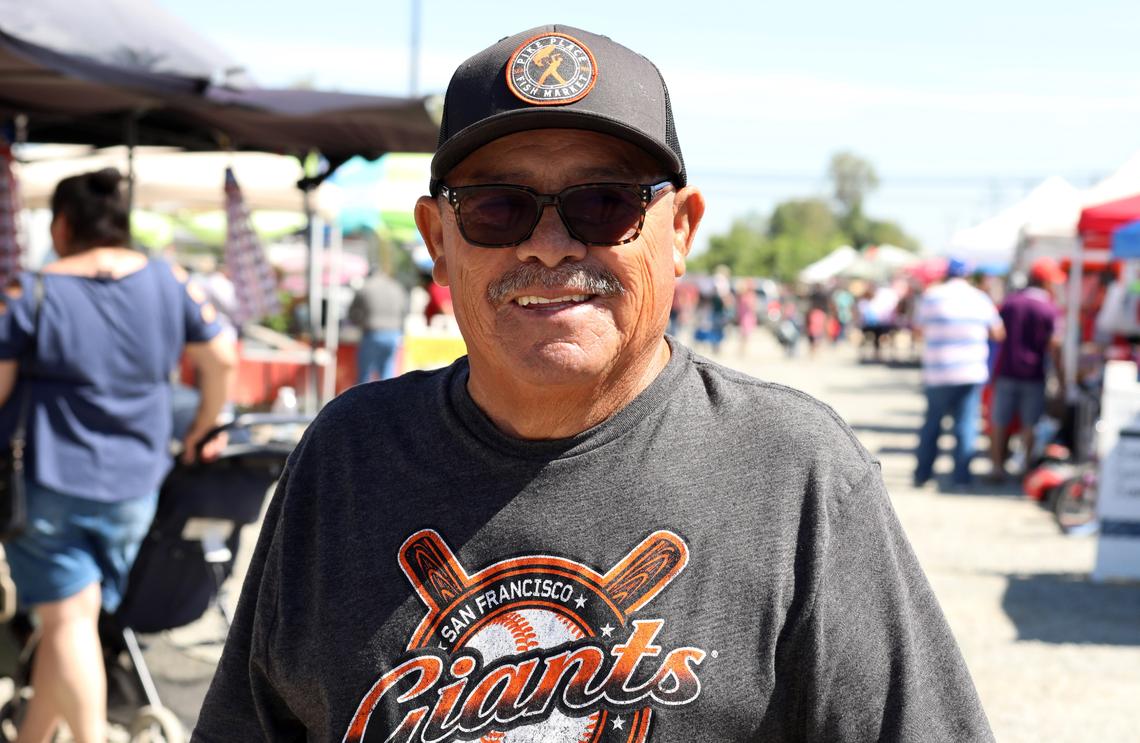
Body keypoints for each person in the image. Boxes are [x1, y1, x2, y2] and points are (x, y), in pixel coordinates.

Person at [193, 26, 993, 742]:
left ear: (679, 232)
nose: (547, 245)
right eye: (498, 207)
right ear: (438, 241)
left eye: (604, 204)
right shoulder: (347, 456)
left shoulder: (793, 472)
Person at [0, 168, 236, 743]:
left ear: (61, 225)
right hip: (137, 481)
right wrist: (204, 429)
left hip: (49, 482)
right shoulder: (168, 280)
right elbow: (223, 357)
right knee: (72, 622)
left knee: (66, 621)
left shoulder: (31, 292)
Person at [912, 258, 1004, 489]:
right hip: (970, 371)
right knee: (965, 425)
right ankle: (961, 477)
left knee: (932, 424)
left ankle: (923, 475)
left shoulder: (932, 296)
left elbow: (918, 330)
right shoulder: (979, 298)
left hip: (938, 371)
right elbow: (998, 332)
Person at [989, 256, 1065, 480]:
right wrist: (1061, 379)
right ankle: (1025, 470)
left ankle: (996, 467)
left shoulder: (1011, 302)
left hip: (1006, 370)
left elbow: (997, 334)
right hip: (1034, 374)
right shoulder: (1049, 309)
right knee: (1030, 424)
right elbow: (1055, 346)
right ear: (1045, 282)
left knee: (999, 422)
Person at [349, 268, 409, 383]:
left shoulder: (366, 287)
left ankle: (362, 400)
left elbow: (352, 312)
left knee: (365, 374)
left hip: (373, 332)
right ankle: (387, 400)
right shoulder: (396, 287)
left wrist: (359, 323)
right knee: (387, 372)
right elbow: (405, 310)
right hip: (394, 333)